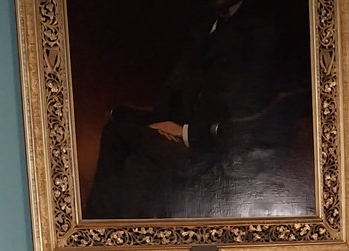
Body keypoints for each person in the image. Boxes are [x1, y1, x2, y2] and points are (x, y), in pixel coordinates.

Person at [84, 0, 301, 220]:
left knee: (118, 137)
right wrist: (159, 122)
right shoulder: (208, 25)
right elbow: (180, 88)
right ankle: (112, 238)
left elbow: (245, 115)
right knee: (129, 144)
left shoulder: (258, 30)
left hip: (217, 152)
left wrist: (185, 132)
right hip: (189, 140)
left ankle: (94, 230)